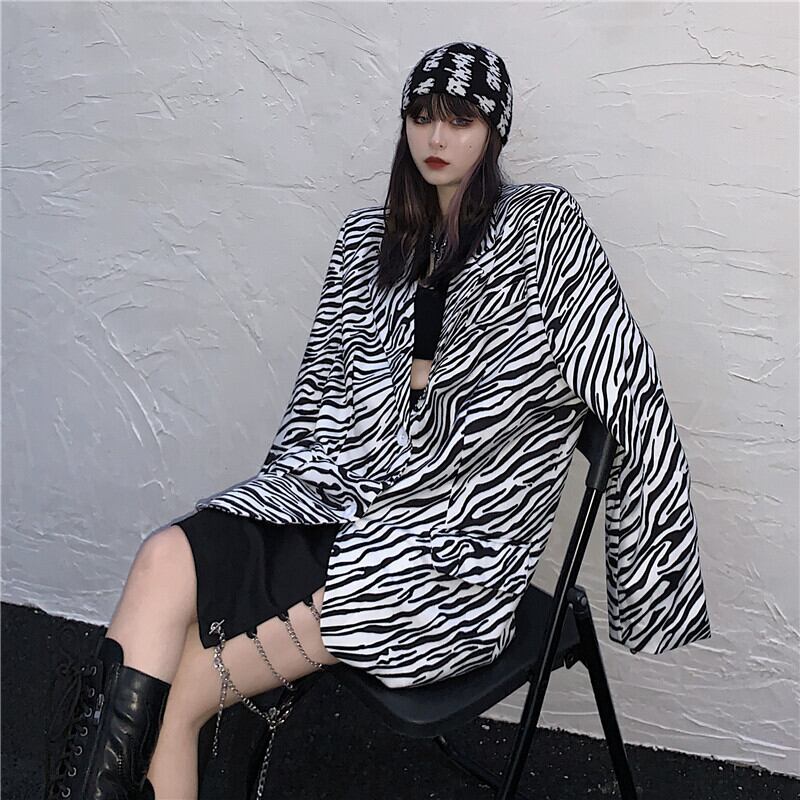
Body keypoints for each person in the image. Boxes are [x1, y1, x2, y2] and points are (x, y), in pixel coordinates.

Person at [43, 40, 711, 800]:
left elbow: (633, 391)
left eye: (460, 120)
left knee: (182, 694)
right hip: (340, 495)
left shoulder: (546, 236)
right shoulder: (368, 242)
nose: (436, 138)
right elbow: (317, 400)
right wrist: (287, 497)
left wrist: (652, 585)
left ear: (494, 133)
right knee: (163, 556)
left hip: (448, 551)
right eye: (421, 117)